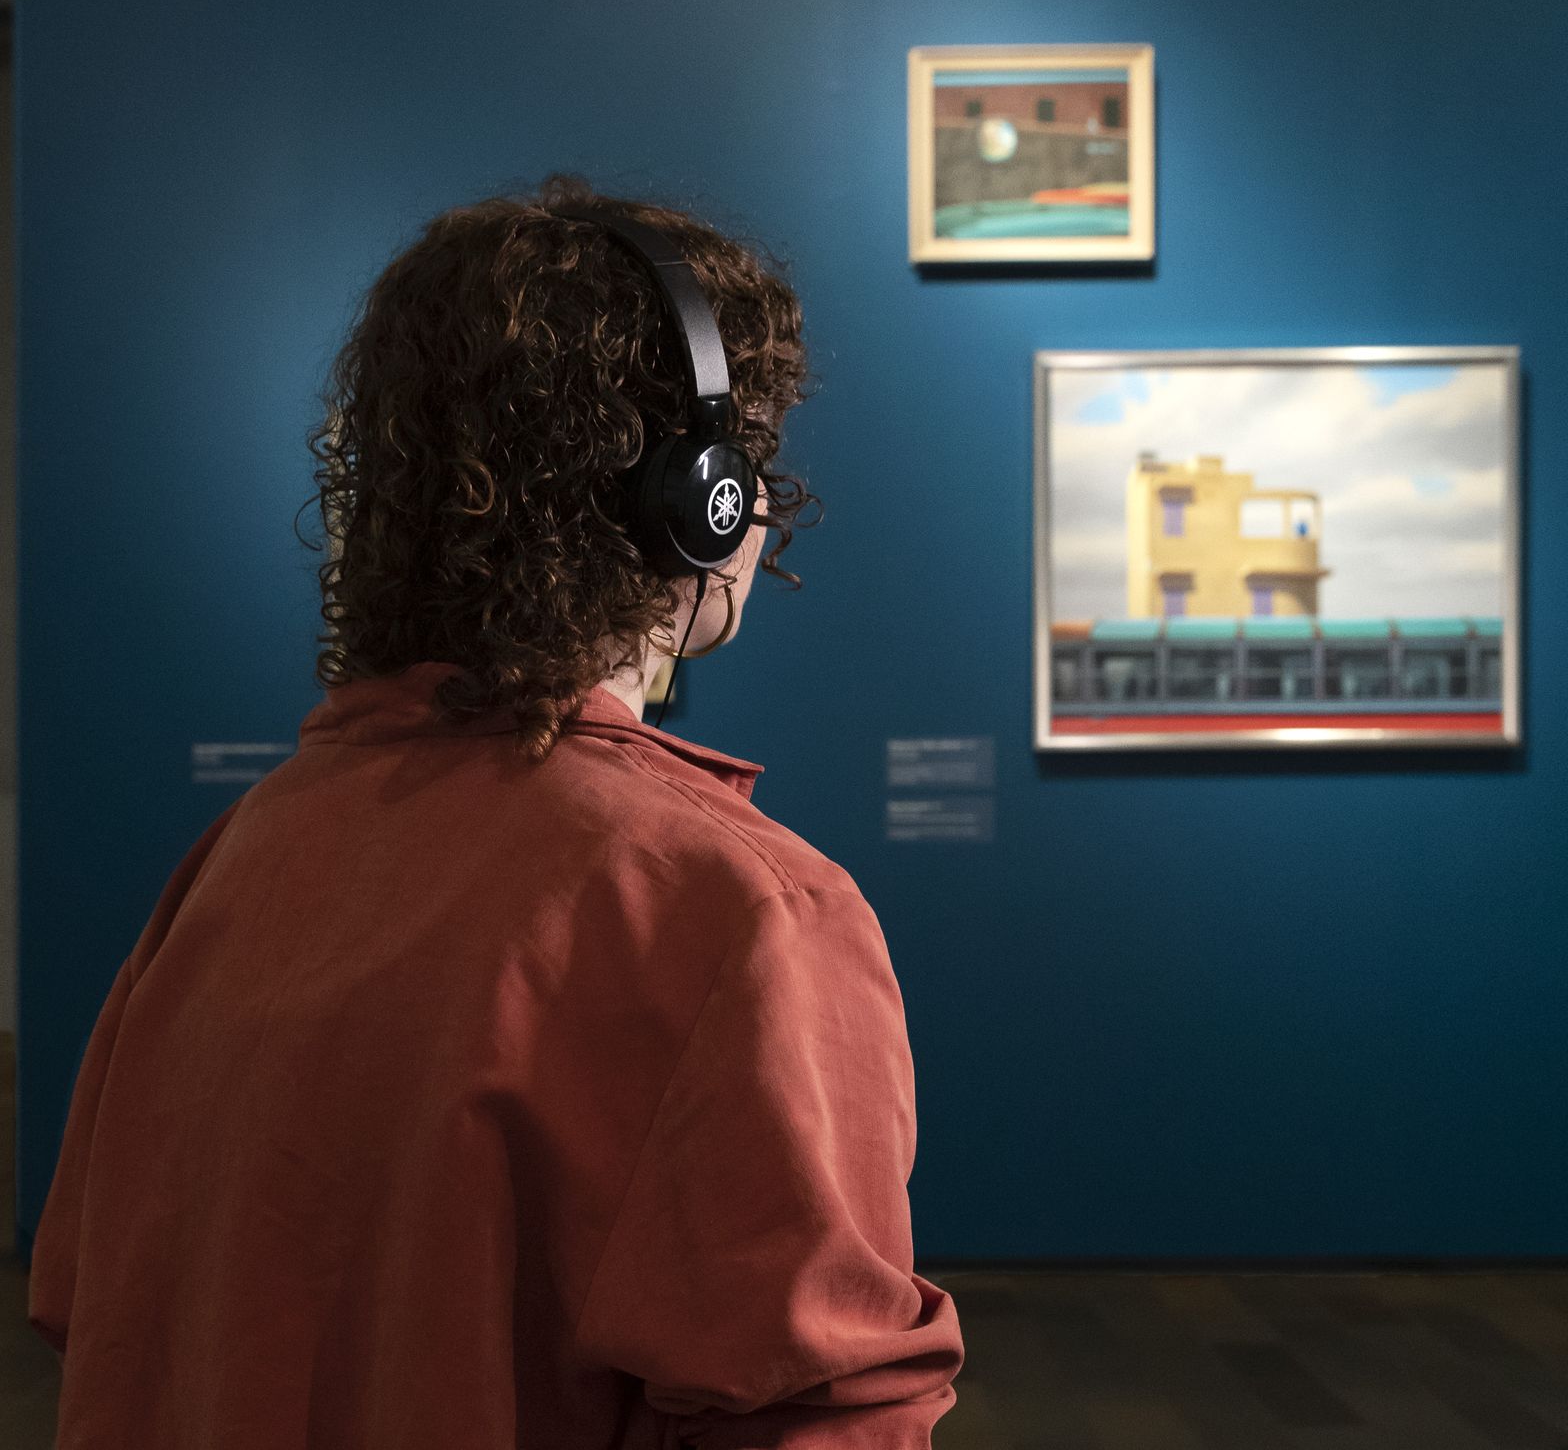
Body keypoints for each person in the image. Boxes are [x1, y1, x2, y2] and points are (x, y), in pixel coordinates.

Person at [28, 176, 964, 1447]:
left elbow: (92, 1301)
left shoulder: (249, 854)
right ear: (705, 501)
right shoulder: (739, 910)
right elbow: (818, 1421)